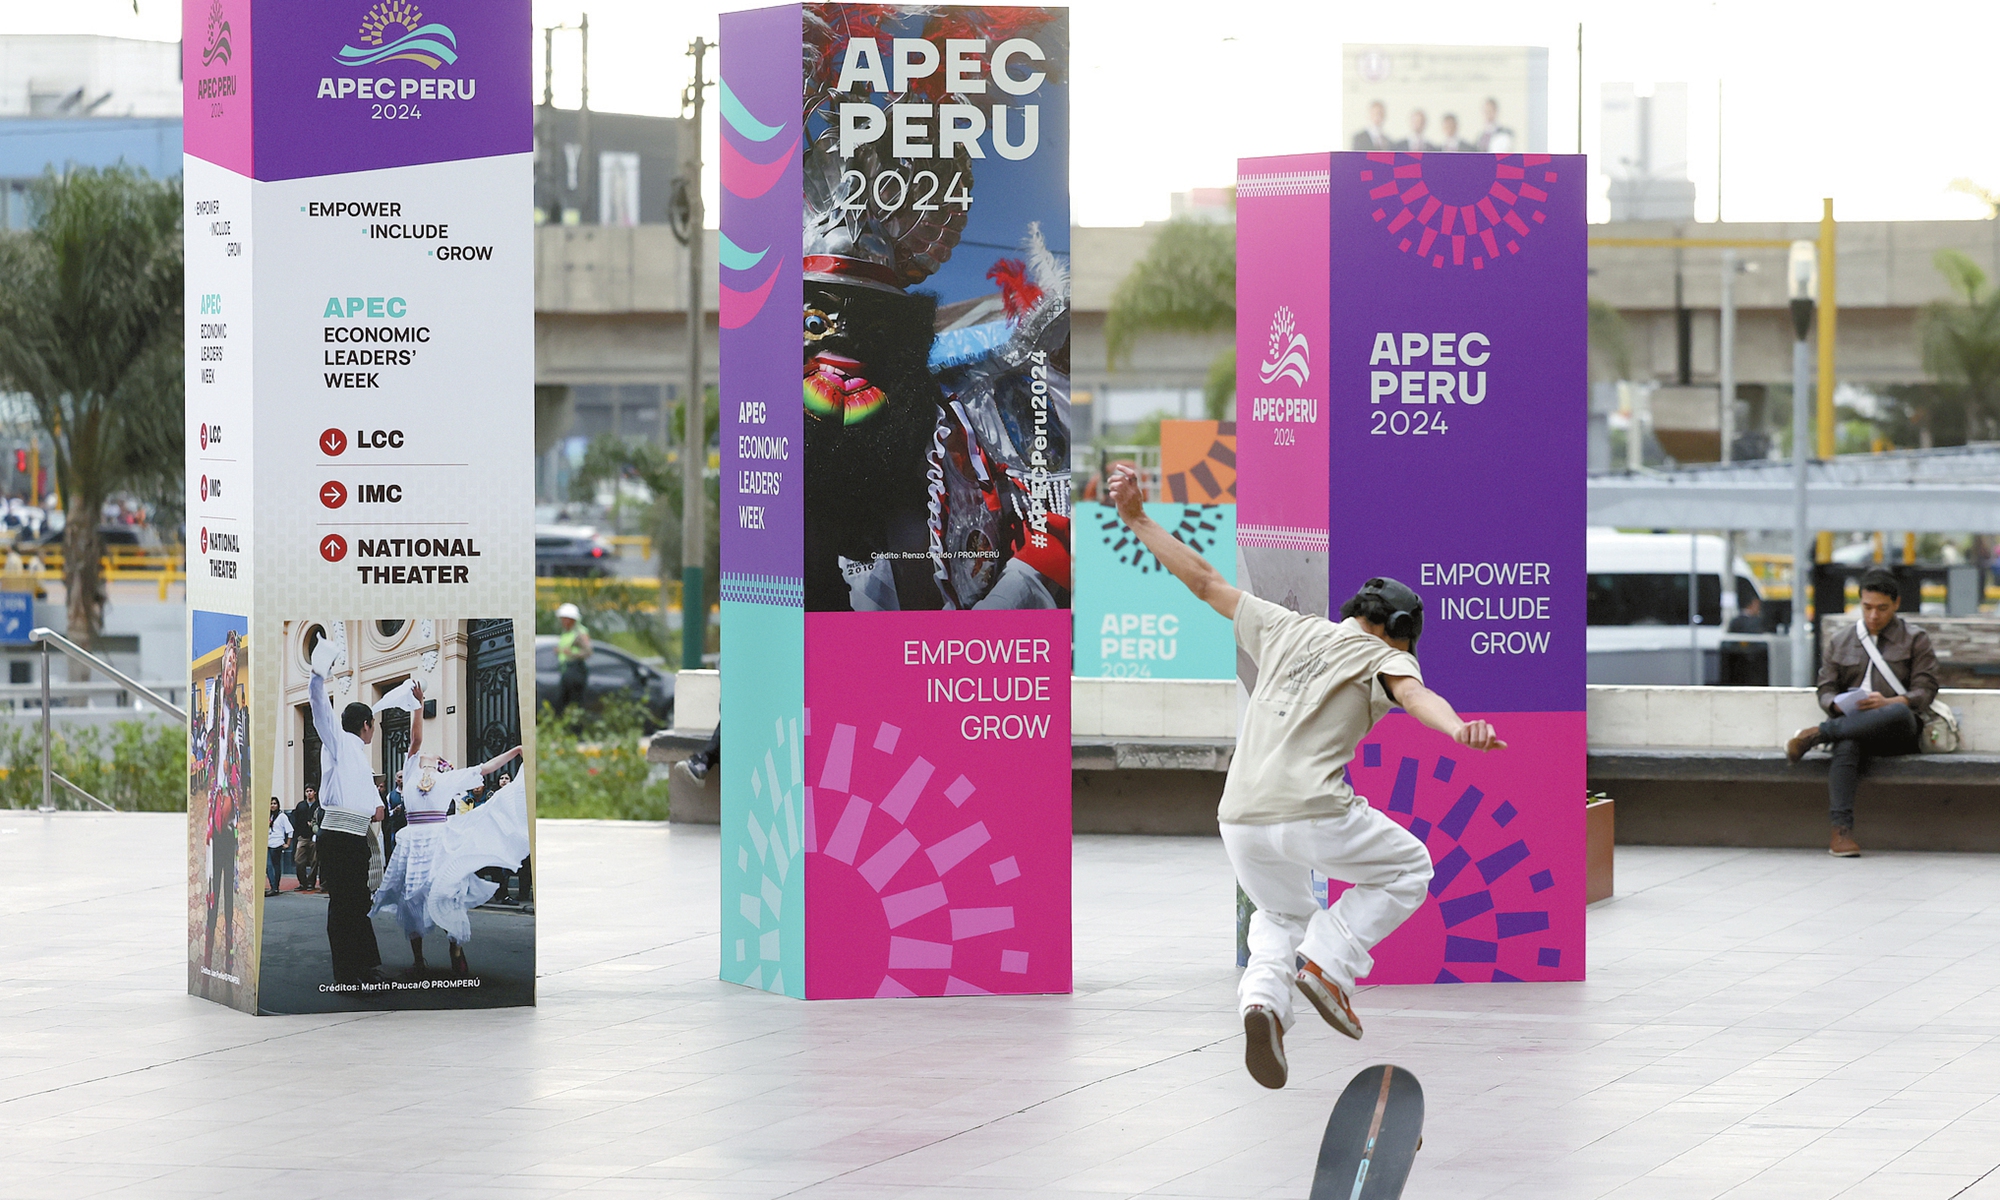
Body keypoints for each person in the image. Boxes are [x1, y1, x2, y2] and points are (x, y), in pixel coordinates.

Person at [1106, 465, 1502, 1089]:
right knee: (1409, 869)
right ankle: (1328, 965)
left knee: (1280, 913)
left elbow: (1205, 581)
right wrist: (1457, 729)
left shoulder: (1287, 627)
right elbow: (1415, 695)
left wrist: (1137, 518)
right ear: (1400, 632)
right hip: (1310, 808)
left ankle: (1263, 1001)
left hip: (1239, 815)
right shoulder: (1387, 655)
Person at [370, 679, 526, 977]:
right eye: (428, 755)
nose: (430, 755)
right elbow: (416, 739)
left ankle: (455, 947)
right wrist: (418, 702)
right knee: (411, 898)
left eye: (437, 758)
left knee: (448, 894)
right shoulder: (412, 768)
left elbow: (485, 768)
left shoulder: (450, 778)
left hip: (440, 839)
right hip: (413, 841)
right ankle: (418, 958)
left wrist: (515, 750)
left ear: (443, 765)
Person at [1786, 568, 1938, 857]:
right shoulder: (1841, 640)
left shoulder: (1915, 639)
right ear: (1860, 603)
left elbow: (1925, 690)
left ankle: (1817, 735)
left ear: (1896, 604)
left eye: (1882, 608)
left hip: (1898, 729)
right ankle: (1840, 833)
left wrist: (1891, 701)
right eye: (1867, 607)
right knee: (1848, 743)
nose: (1873, 616)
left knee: (1899, 714)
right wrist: (1836, 704)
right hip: (1853, 726)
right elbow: (1825, 688)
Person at [308, 636, 388, 986]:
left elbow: (376, 805)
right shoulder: (339, 742)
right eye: (374, 726)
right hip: (339, 836)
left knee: (357, 902)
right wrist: (318, 673)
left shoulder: (360, 759)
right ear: (367, 724)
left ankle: (364, 964)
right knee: (344, 904)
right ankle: (347, 972)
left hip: (355, 838)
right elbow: (318, 707)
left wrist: (377, 808)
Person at [201, 631, 247, 976]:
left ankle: (229, 951)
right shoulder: (218, 711)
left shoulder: (238, 719)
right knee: (211, 893)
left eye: (234, 665)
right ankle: (206, 955)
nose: (230, 672)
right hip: (214, 817)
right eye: (227, 666)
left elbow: (239, 771)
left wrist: (231, 801)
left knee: (228, 894)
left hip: (228, 824)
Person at [554, 602, 591, 714]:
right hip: (566, 670)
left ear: (572, 619)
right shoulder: (566, 632)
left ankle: (575, 730)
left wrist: (571, 653)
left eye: (565, 619)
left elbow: (588, 652)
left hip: (576, 670)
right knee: (563, 703)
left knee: (574, 704)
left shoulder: (580, 633)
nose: (562, 621)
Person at [291, 786, 320, 892]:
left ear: (315, 792)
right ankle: (302, 882)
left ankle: (311, 883)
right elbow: (295, 818)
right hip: (302, 837)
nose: (309, 793)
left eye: (311, 791)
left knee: (314, 861)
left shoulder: (318, 806)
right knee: (299, 860)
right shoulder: (301, 805)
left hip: (314, 837)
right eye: (307, 791)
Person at [265, 798, 293, 896]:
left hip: (277, 844)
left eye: (274, 803)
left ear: (278, 805)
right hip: (268, 843)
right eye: (271, 804)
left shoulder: (282, 816)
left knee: (275, 866)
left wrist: (288, 844)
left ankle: (275, 887)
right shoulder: (269, 816)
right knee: (268, 866)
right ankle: (273, 886)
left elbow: (290, 830)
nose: (272, 806)